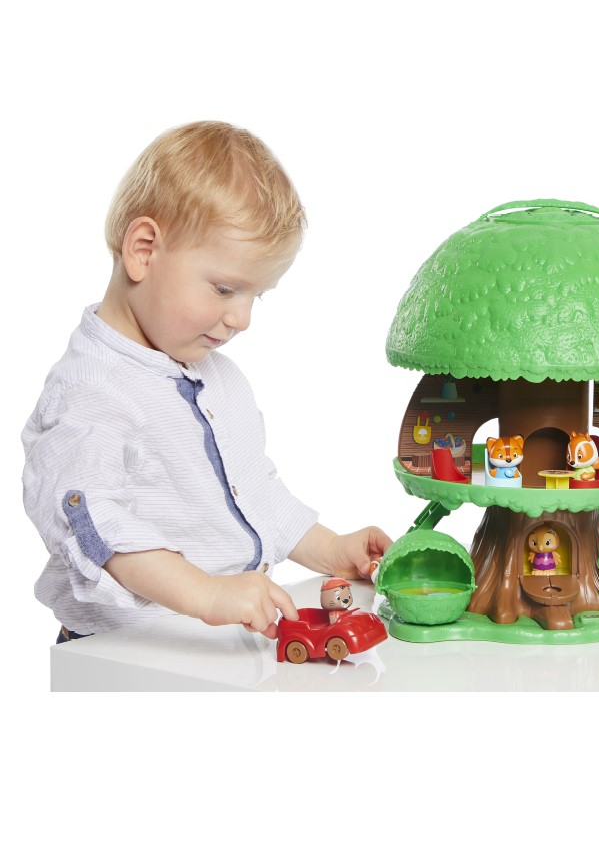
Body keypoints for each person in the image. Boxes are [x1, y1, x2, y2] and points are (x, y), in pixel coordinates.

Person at [23, 121, 392, 643]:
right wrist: (206, 593)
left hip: (216, 642)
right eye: (224, 289)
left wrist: (331, 549)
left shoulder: (217, 377)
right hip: (125, 652)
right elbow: (90, 521)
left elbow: (254, 494)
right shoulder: (93, 390)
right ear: (143, 250)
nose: (242, 318)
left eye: (255, 296)